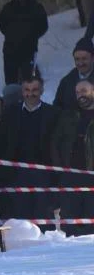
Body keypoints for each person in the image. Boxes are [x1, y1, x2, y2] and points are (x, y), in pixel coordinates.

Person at [0, 75, 59, 221]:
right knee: (20, 213)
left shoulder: (52, 113)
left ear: (42, 91)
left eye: (34, 90)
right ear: (22, 91)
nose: (30, 94)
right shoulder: (10, 113)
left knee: (43, 213)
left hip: (44, 171)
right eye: (27, 90)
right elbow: (4, 141)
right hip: (17, 171)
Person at [50, 80, 94, 235]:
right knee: (69, 219)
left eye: (84, 91)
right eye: (77, 92)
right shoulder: (68, 115)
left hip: (91, 174)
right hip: (70, 174)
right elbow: (55, 142)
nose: (80, 95)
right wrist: (60, 169)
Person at [0, 0, 48, 85]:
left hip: (29, 51)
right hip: (10, 51)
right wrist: (11, 35)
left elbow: (43, 26)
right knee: (11, 84)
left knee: (29, 82)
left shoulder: (36, 8)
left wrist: (32, 36)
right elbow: (2, 24)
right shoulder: (8, 8)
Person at [53, 38, 94, 113]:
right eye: (77, 59)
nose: (80, 63)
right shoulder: (66, 82)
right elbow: (56, 108)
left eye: (84, 59)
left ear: (92, 58)